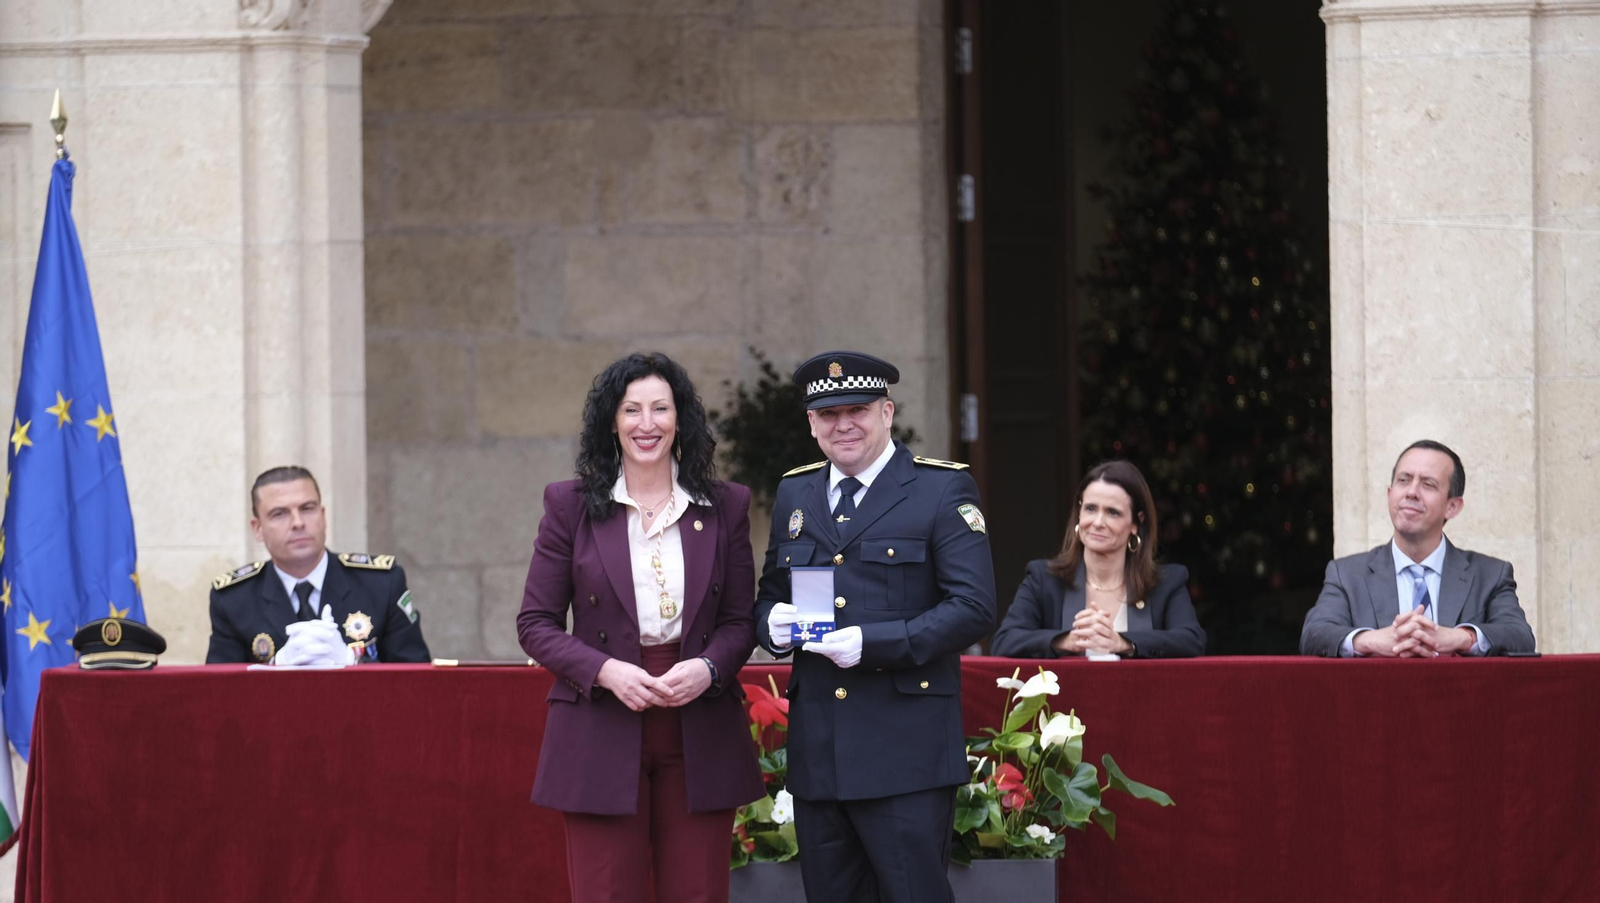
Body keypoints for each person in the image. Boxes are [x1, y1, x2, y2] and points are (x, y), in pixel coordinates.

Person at [517, 352, 763, 903]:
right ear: (612, 421)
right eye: (632, 410)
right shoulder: (570, 505)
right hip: (601, 719)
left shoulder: (725, 505)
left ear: (681, 420)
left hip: (698, 720)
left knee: (698, 892)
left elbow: (740, 620)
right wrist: (604, 671)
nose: (646, 423)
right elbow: (535, 623)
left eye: (660, 408)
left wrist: (707, 668)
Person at [753, 350, 996, 903]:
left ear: (887, 412)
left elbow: (974, 607)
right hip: (820, 752)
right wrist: (773, 623)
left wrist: (874, 643)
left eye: (856, 409)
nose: (843, 424)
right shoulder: (797, 492)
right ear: (811, 423)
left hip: (904, 751)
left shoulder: (939, 490)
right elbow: (768, 594)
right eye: (827, 414)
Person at [1300, 440, 1535, 657]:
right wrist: (1371, 640)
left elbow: (1520, 636)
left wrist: (1461, 637)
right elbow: (1314, 635)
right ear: (1390, 495)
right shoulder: (1347, 573)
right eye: (1403, 480)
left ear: (1452, 507)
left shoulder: (1490, 574)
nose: (1412, 492)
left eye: (1428, 484)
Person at [207, 466, 430, 664]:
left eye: (307, 508)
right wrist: (273, 667)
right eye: (279, 514)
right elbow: (219, 693)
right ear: (257, 528)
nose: (298, 523)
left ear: (323, 516)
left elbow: (416, 678)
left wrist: (352, 661)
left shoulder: (381, 584)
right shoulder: (234, 599)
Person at [992, 460, 1205, 659]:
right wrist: (1067, 640)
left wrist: (1123, 642)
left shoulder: (1166, 583)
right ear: (1079, 513)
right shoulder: (1043, 579)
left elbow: (1192, 642)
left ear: (1135, 523)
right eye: (1091, 509)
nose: (1098, 522)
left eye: (1112, 512)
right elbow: (1004, 642)